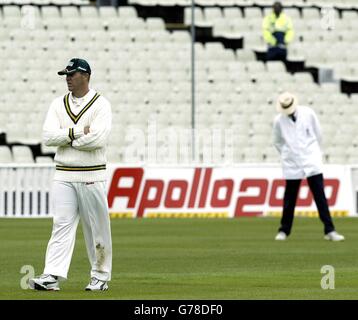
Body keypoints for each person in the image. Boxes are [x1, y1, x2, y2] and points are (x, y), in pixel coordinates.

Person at [29, 58, 113, 291]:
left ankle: (100, 276)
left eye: (72, 74)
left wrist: (66, 140)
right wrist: (77, 132)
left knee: (96, 226)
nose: (67, 78)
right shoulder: (58, 104)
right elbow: (47, 137)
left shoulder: (101, 104)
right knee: (61, 223)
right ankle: (52, 275)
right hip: (63, 174)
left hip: (91, 174)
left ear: (85, 76)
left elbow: (98, 139)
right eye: (66, 75)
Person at [273, 92, 345, 242]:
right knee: (289, 199)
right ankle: (284, 230)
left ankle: (329, 230)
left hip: (311, 160)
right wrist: (288, 155)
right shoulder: (279, 121)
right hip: (292, 163)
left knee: (320, 197)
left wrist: (314, 153)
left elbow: (319, 134)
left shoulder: (308, 113)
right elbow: (277, 142)